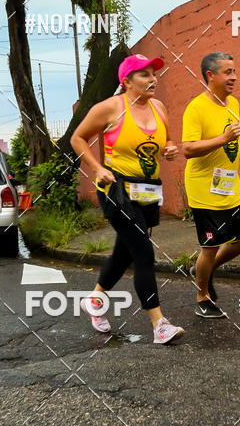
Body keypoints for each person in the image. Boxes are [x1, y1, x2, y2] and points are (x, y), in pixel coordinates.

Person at [71, 54, 184, 345]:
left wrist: (169, 149)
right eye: (144, 75)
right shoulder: (110, 108)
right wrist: (98, 169)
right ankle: (159, 324)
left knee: (125, 252)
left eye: (153, 74)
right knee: (144, 252)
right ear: (127, 81)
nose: (153, 79)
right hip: (116, 190)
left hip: (147, 190)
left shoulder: (158, 107)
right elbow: (77, 138)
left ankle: (95, 300)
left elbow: (167, 141)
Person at [182, 52, 240, 317]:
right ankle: (202, 297)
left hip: (229, 186)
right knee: (210, 247)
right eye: (227, 72)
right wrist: (224, 139)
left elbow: (230, 138)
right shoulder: (196, 108)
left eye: (234, 71)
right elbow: (188, 149)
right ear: (210, 76)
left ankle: (205, 269)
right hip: (203, 188)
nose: (234, 77)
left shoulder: (232, 103)